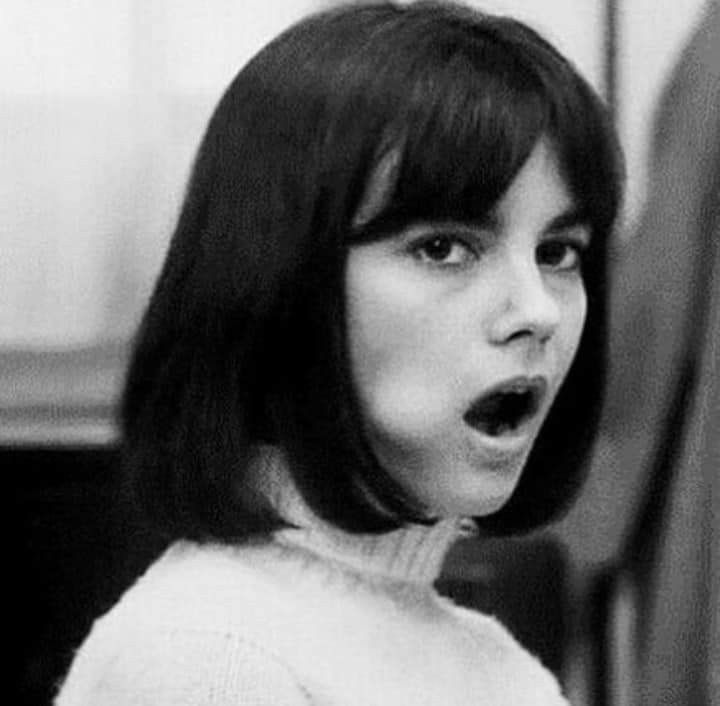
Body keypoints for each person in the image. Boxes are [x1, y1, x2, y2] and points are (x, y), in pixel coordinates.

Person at [55, 2, 623, 704]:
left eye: (558, 252)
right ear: (281, 278)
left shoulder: (503, 670)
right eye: (443, 247)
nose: (538, 311)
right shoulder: (209, 662)